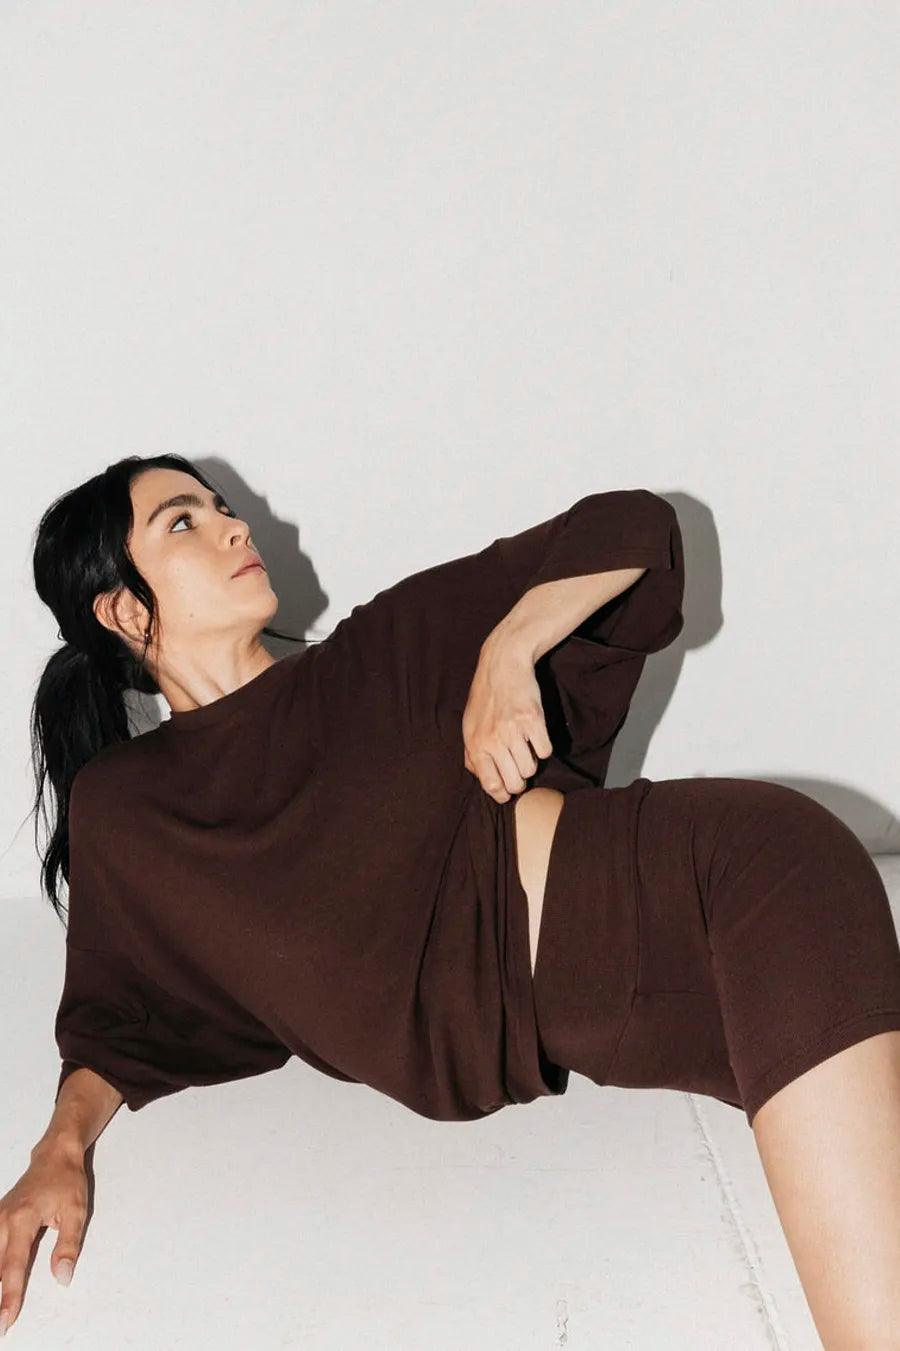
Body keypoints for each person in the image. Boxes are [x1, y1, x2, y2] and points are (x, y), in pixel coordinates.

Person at [2, 455, 899, 1347]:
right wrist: (59, 1146)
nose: (234, 525)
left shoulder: (380, 652)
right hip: (623, 1015)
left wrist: (509, 650)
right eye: (183, 521)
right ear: (125, 611)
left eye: (220, 505)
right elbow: (122, 1016)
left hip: (737, 883)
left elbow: (635, 525)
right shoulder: (131, 809)